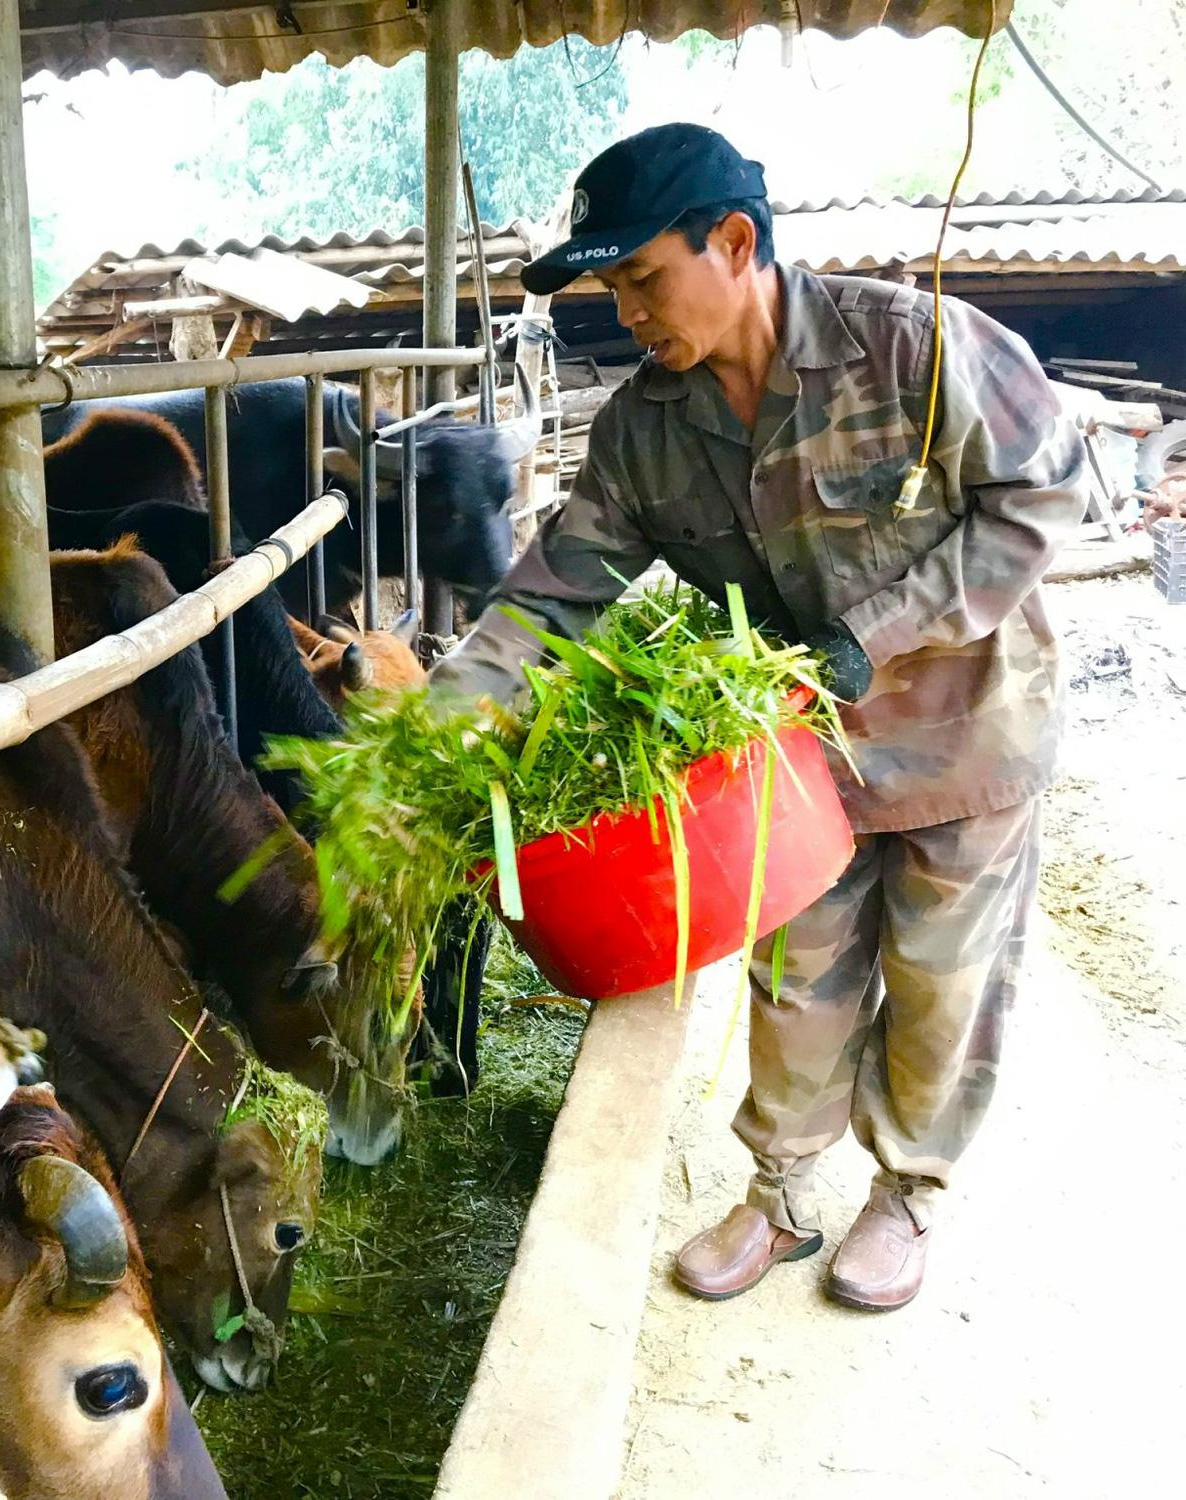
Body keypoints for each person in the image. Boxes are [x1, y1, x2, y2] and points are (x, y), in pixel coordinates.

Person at [430, 123, 1086, 1311]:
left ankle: (905, 1195)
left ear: (732, 243)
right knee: (796, 976)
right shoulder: (645, 427)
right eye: (608, 285)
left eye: (640, 276)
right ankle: (781, 1193)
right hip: (800, 761)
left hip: (964, 735)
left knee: (939, 981)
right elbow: (556, 591)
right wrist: (432, 731)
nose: (623, 309)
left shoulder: (909, 348)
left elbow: (1044, 496)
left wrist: (876, 628)